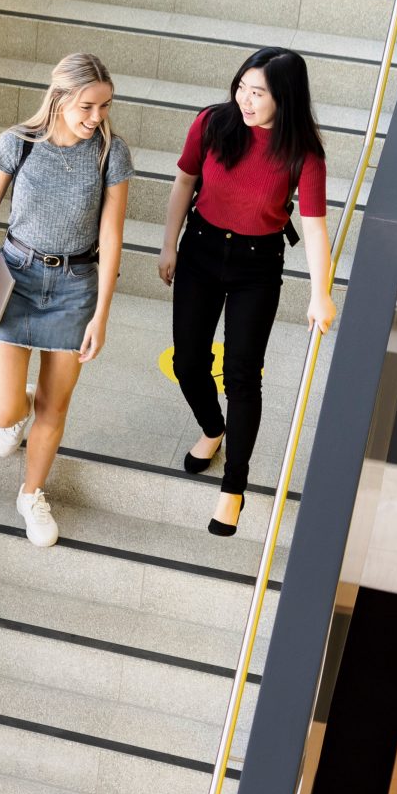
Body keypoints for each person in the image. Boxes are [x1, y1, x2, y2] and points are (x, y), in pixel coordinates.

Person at [158, 48, 336, 537]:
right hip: (200, 249)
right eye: (242, 87)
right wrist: (168, 244)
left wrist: (320, 293)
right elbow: (184, 182)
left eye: (258, 93)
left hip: (257, 265)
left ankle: (233, 488)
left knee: (242, 374)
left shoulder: (303, 151)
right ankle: (213, 429)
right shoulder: (213, 123)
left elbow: (316, 229)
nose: (245, 99)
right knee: (188, 363)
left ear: (286, 98)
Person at [0, 53, 133, 547]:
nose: (96, 117)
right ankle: (15, 414)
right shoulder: (17, 142)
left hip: (75, 285)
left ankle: (31, 494)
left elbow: (113, 237)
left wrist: (101, 314)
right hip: (15, 278)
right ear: (60, 98)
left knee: (54, 407)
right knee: (3, 411)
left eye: (104, 106)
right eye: (87, 106)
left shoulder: (111, 154)